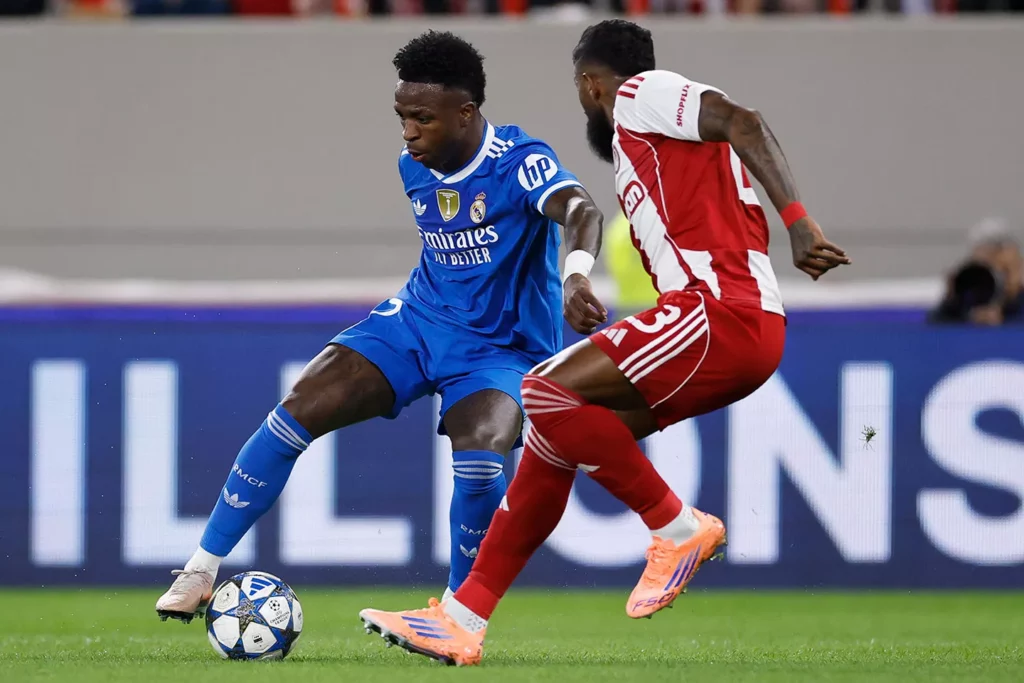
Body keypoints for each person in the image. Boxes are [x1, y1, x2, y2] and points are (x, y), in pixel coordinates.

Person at [357, 18, 851, 666]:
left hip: (717, 314)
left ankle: (675, 525)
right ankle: (461, 617)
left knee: (542, 390)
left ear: (590, 83)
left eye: (579, 86)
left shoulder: (639, 95)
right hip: (735, 324)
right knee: (552, 436)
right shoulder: (655, 141)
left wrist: (799, 222)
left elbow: (744, 118)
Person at [154, 29, 606, 623]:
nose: (408, 131)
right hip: (417, 323)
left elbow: (581, 208)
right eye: (401, 116)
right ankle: (202, 569)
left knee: (482, 454)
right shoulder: (412, 164)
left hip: (500, 347)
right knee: (300, 405)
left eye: (422, 118)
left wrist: (575, 276)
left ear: (466, 113)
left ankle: (455, 615)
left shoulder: (520, 162)